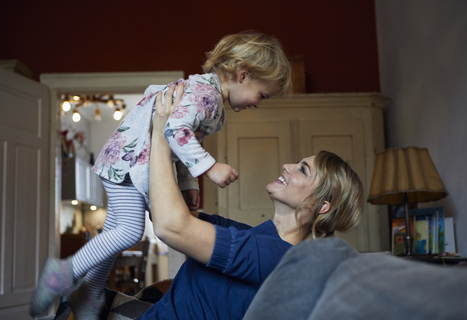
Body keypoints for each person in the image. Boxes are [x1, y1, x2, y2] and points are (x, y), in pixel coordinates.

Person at [29, 31, 292, 319]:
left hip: (124, 161)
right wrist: (210, 167)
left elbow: (184, 143)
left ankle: (89, 293)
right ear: (243, 75)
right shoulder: (206, 95)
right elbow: (174, 131)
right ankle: (61, 274)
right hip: (128, 163)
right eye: (262, 95)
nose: (257, 103)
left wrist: (189, 182)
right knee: (129, 231)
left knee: (114, 233)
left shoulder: (208, 97)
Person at [137, 86, 365, 319]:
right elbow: (162, 212)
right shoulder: (250, 236)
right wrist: (186, 172)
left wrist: (161, 134)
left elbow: (169, 227)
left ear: (322, 204)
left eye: (303, 170)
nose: (287, 165)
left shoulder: (278, 257)